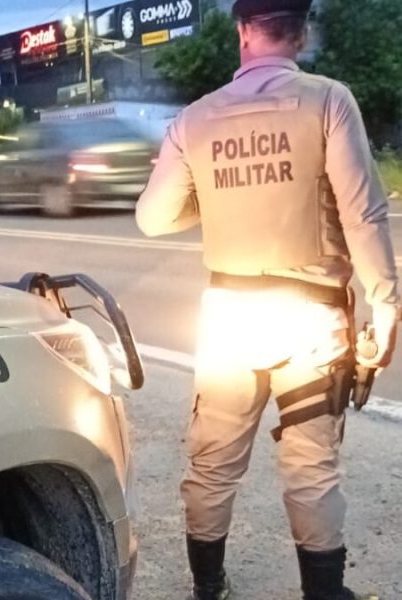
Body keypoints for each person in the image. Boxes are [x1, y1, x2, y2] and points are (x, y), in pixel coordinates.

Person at [135, 1, 399, 599]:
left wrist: (216, 198)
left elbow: (153, 218)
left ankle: (208, 587)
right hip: (311, 320)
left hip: (229, 317)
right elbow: (363, 214)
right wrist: (387, 309)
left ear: (242, 33)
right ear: (300, 33)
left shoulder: (195, 119)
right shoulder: (329, 99)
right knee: (311, 470)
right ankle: (325, 594)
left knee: (211, 466)